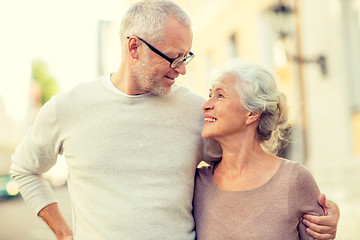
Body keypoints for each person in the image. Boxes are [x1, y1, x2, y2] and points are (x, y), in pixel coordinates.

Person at [10, 1, 338, 240]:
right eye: (174, 57)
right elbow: (25, 170)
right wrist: (65, 234)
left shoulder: (199, 113)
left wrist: (316, 218)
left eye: (187, 57)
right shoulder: (68, 106)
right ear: (134, 47)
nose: (182, 69)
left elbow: (247, 170)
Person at [193, 58, 338, 239]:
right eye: (210, 95)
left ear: (252, 113)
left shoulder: (294, 180)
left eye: (220, 95)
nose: (206, 105)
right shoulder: (198, 183)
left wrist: (331, 217)